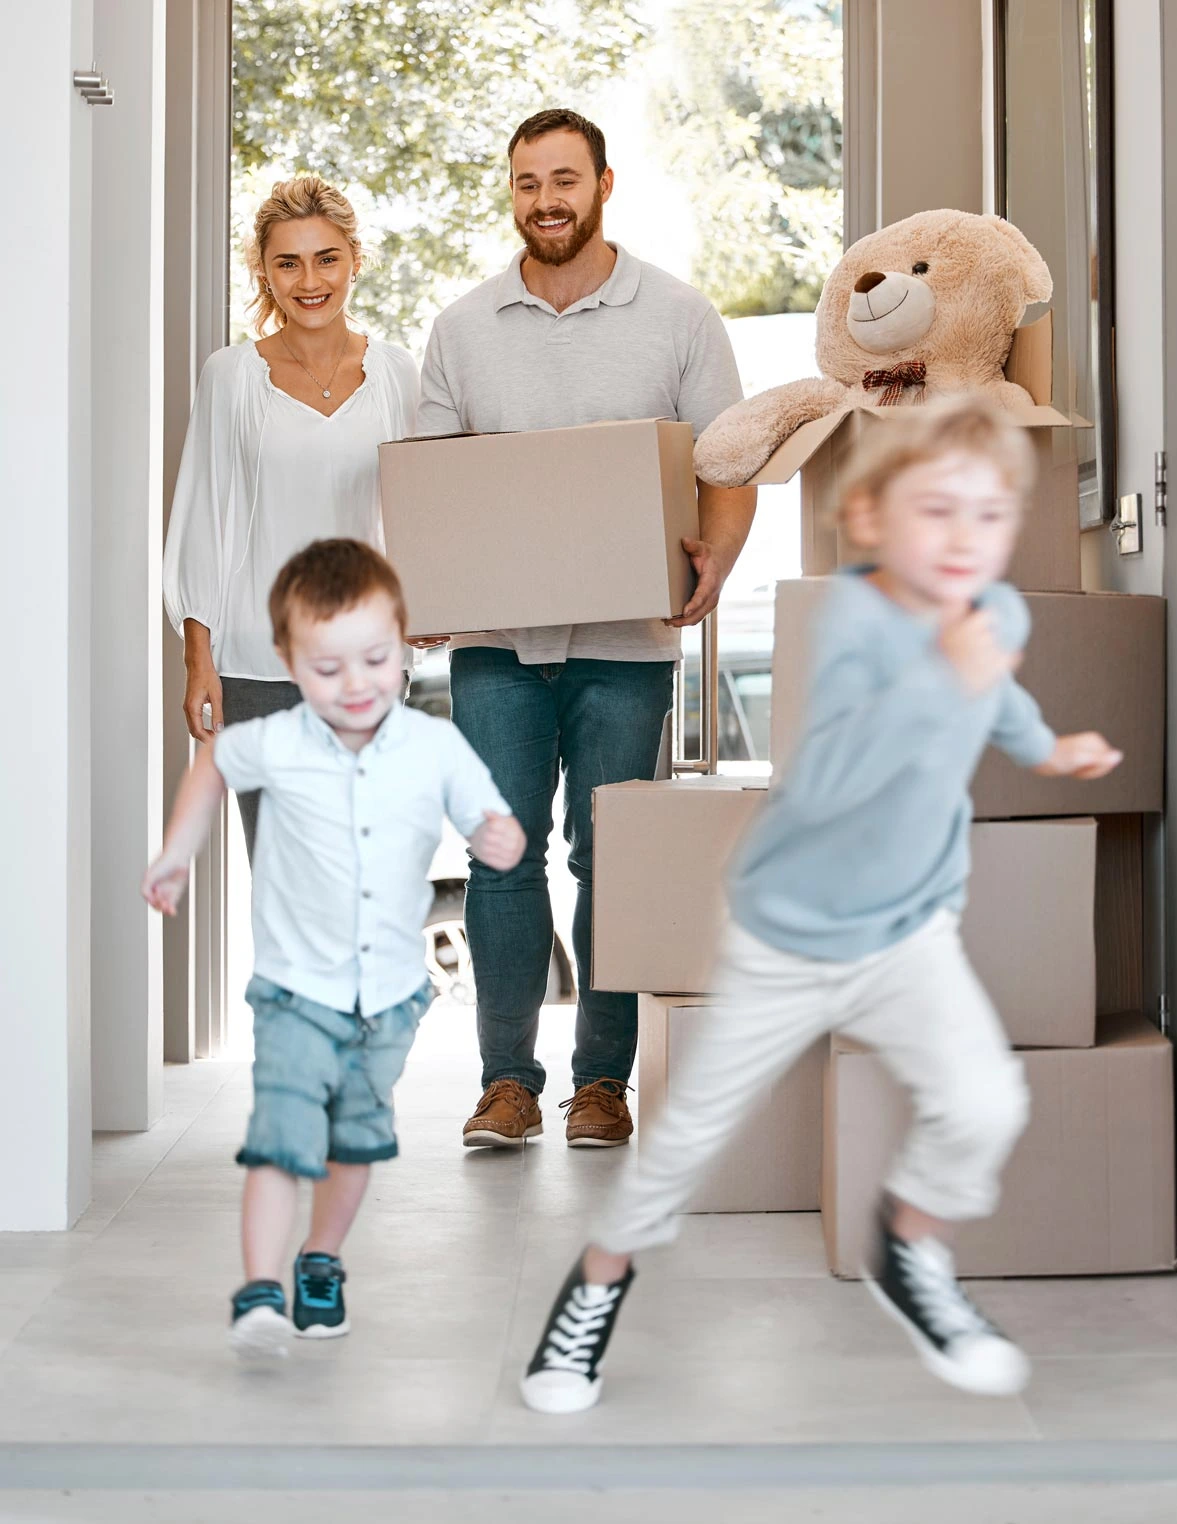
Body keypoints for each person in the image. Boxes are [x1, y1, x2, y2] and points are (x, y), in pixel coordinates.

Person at [520, 394, 1124, 1414]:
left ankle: (909, 1248)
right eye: (938, 514)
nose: (967, 541)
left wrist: (1044, 746)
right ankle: (594, 1287)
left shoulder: (994, 615)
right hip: (789, 934)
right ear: (874, 521)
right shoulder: (854, 619)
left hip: (910, 932)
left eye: (989, 518)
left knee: (985, 1101)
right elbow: (837, 775)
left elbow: (999, 698)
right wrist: (943, 679)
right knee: (687, 1142)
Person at [415, 108, 758, 1151]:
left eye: (565, 179)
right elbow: (435, 489)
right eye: (528, 183)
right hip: (498, 649)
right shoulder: (464, 329)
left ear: (606, 183)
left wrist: (719, 556)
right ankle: (506, 1086)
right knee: (500, 860)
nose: (547, 201)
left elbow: (729, 461)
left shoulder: (679, 316)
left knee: (612, 862)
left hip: (627, 643)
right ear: (510, 190)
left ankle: (601, 1083)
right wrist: (431, 582)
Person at [142, 540, 525, 1359]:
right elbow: (214, 763)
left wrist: (500, 837)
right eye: (327, 669)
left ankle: (321, 1261)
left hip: (386, 1002)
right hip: (292, 991)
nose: (355, 686)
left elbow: (491, 819)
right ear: (287, 663)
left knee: (354, 1142)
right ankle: (257, 1290)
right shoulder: (277, 739)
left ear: (404, 642)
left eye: (376, 661)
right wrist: (178, 851)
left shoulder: (434, 748)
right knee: (282, 1135)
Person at [163, 175, 420, 861]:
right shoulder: (231, 376)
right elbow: (201, 518)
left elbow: (419, 513)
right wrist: (198, 659)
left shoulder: (399, 374)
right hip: (255, 663)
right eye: (288, 262)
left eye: (326, 257)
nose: (310, 280)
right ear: (264, 273)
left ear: (355, 260)